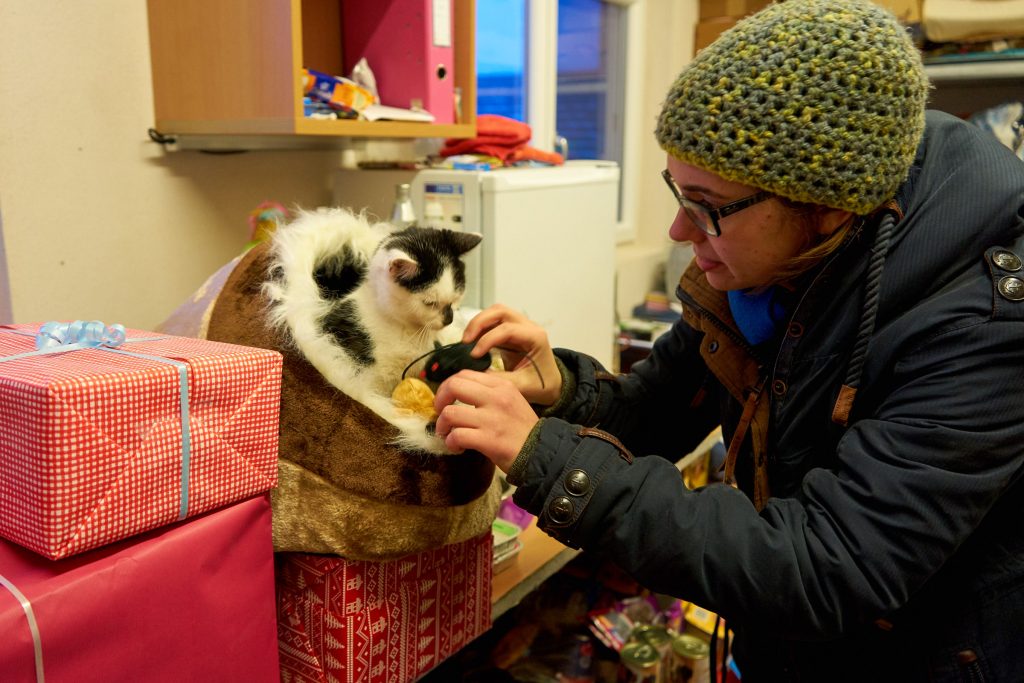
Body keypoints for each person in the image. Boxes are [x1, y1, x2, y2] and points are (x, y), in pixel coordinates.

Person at [433, 0, 1024, 680]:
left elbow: (825, 567)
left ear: (828, 206)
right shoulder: (778, 265)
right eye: (675, 192)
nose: (680, 233)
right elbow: (659, 406)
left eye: (707, 207)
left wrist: (544, 457)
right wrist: (562, 391)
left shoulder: (984, 320)